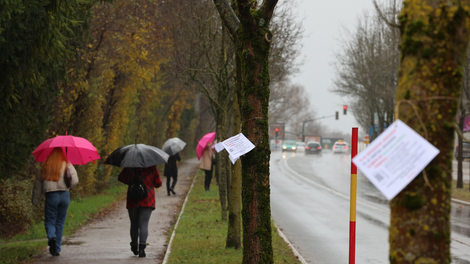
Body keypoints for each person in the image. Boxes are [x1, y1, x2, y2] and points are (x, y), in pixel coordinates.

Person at [32, 147, 79, 257]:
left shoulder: (45, 165)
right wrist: (68, 186)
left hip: (51, 195)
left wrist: (36, 200)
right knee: (60, 222)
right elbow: (75, 180)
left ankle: (52, 237)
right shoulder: (67, 164)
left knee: (50, 220)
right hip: (64, 195)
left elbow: (38, 185)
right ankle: (57, 248)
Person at [118, 166, 162, 258]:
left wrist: (132, 181)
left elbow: (121, 178)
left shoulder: (129, 167)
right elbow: (158, 183)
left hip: (132, 199)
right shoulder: (151, 167)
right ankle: (142, 248)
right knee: (144, 224)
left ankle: (134, 246)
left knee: (134, 224)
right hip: (147, 199)